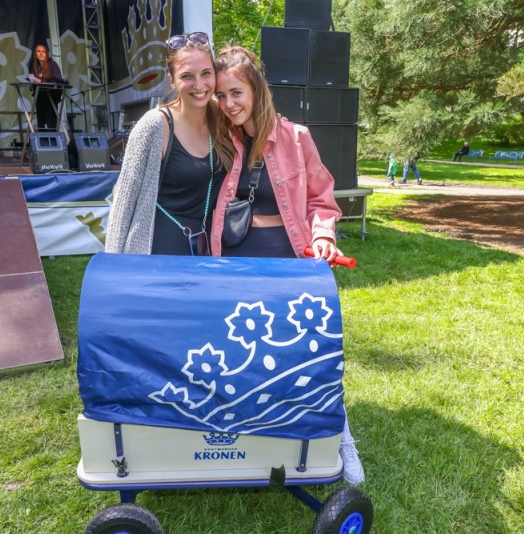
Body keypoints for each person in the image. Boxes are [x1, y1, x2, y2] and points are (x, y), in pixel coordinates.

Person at [211, 45, 364, 485]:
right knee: (242, 355)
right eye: (221, 96)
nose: (228, 104)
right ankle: (251, 440)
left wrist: (322, 237)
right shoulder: (218, 138)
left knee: (310, 356)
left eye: (236, 92)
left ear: (257, 89)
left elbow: (322, 199)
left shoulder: (296, 138)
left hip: (289, 260)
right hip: (234, 264)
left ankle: (339, 438)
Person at [105, 32, 225, 255]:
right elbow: (124, 203)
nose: (199, 85)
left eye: (206, 73)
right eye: (187, 76)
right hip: (159, 248)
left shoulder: (223, 118)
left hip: (210, 249)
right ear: (172, 80)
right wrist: (115, 268)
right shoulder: (154, 126)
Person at [29, 43, 65, 131]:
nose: (41, 54)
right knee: (41, 124)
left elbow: (58, 80)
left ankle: (53, 143)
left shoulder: (52, 64)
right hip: (40, 97)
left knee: (51, 124)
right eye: (38, 51)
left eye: (43, 51)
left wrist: (42, 81)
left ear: (46, 53)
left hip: (50, 97)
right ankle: (43, 143)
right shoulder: (35, 66)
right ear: (35, 54)